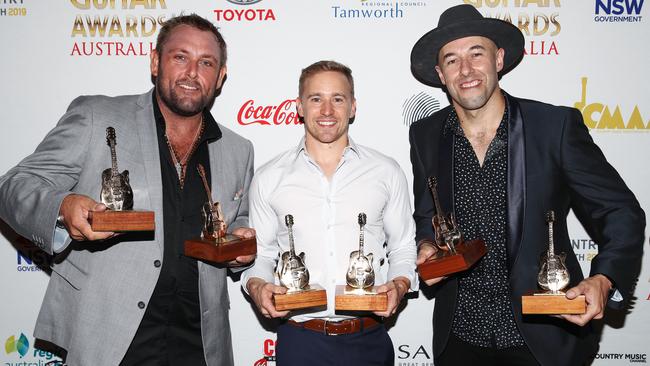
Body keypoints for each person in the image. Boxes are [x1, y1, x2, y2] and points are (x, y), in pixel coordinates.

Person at [0, 14, 255, 366]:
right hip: (110, 338)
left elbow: (235, 221)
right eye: (180, 57)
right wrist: (63, 205)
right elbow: (14, 186)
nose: (192, 73)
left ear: (220, 76)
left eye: (206, 62)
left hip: (200, 345)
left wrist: (240, 247)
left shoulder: (238, 149)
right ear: (155, 61)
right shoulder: (96, 115)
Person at [408, 4, 645, 366]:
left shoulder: (554, 127)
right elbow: (428, 210)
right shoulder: (425, 134)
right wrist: (427, 243)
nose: (466, 70)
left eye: (477, 53)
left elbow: (620, 212)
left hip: (543, 337)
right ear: (441, 73)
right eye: (452, 60)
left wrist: (604, 278)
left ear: (499, 59)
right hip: (459, 338)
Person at [242, 60, 417, 365]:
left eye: (337, 99)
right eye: (315, 99)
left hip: (369, 340)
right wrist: (257, 287)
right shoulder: (270, 177)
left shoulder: (386, 171)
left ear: (352, 107)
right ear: (298, 106)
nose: (326, 110)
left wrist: (399, 285)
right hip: (300, 342)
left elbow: (403, 246)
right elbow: (261, 255)